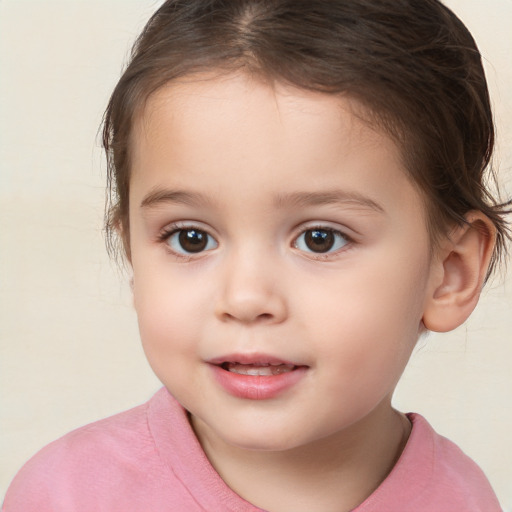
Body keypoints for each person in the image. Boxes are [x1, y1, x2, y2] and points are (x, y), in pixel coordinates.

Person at [3, 0, 510, 510]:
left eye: (320, 238)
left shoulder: (464, 500)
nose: (245, 298)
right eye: (190, 238)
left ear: (450, 271)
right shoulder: (66, 494)